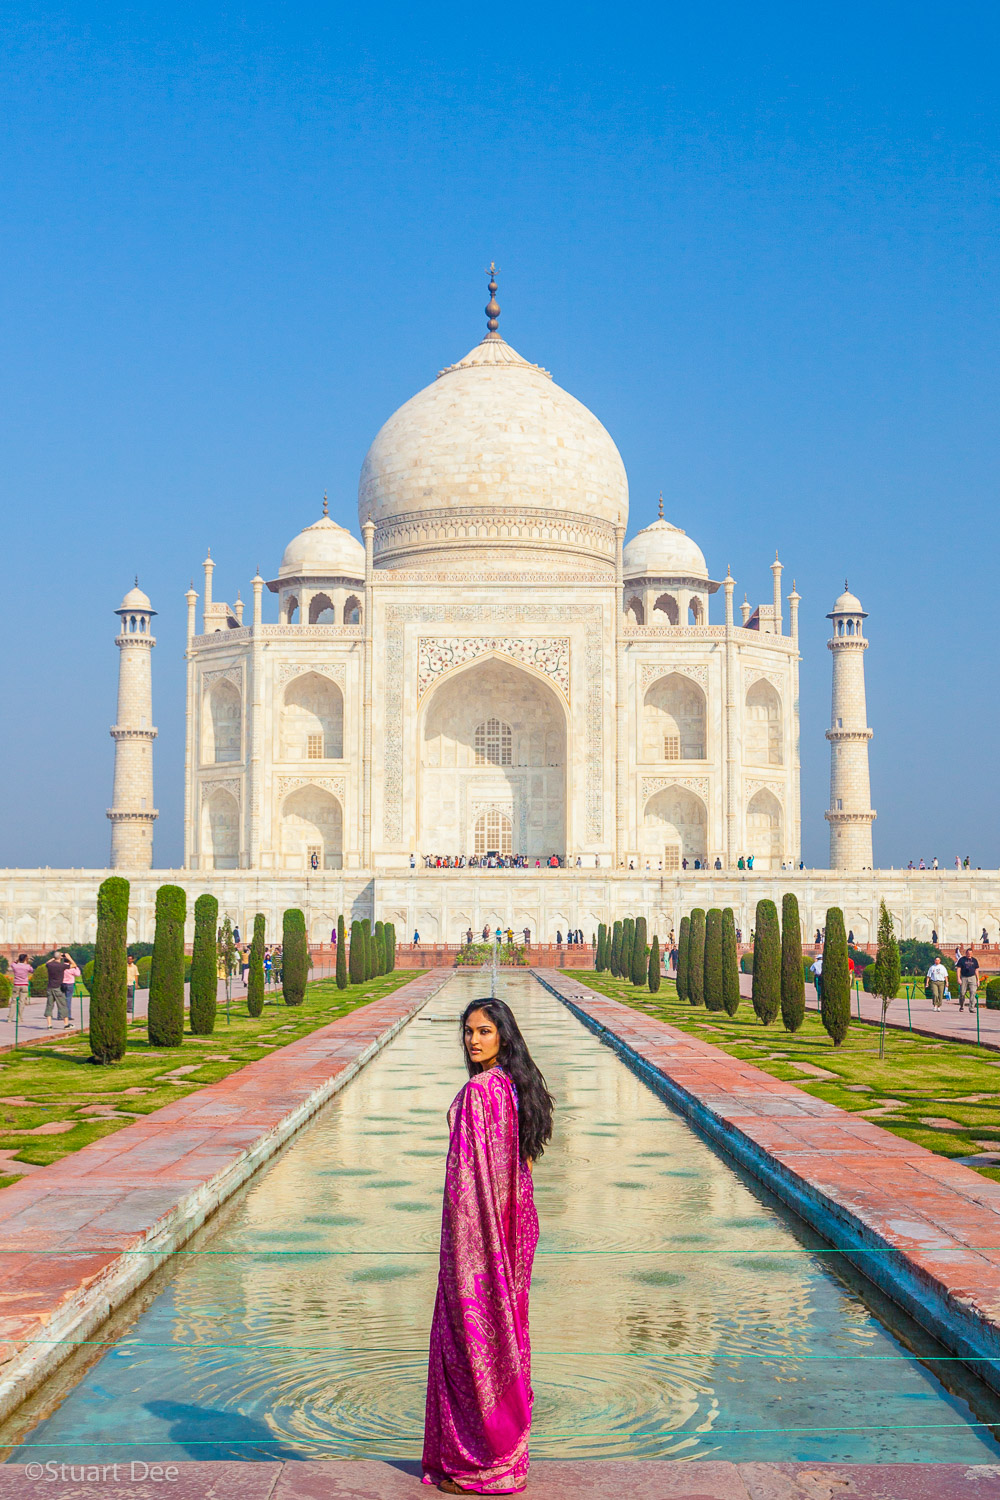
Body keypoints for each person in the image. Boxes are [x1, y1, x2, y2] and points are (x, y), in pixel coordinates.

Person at [423, 997, 553, 1495]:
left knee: (469, 1343)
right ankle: (508, 1457)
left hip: (476, 1239)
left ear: (503, 1035)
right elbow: (518, 1172)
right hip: (512, 1233)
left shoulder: (481, 1092)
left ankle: (479, 1464)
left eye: (484, 1031)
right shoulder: (514, 1088)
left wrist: (470, 1247)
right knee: (504, 1337)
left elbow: (473, 1181)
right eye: (468, 1031)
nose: (473, 1040)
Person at [44, 950, 68, 1030]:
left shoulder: (50, 965)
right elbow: (74, 965)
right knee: (62, 1005)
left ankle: (49, 1025)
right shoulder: (61, 966)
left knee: (49, 1006)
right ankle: (66, 1024)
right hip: (58, 987)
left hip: (50, 987)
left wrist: (54, 957)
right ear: (60, 957)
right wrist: (68, 957)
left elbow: (47, 963)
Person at [61, 953, 80, 1024]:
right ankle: (68, 1015)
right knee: (68, 1000)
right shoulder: (71, 967)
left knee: (61, 1000)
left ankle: (60, 1015)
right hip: (69, 984)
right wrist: (76, 967)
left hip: (62, 983)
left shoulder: (61, 966)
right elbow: (78, 974)